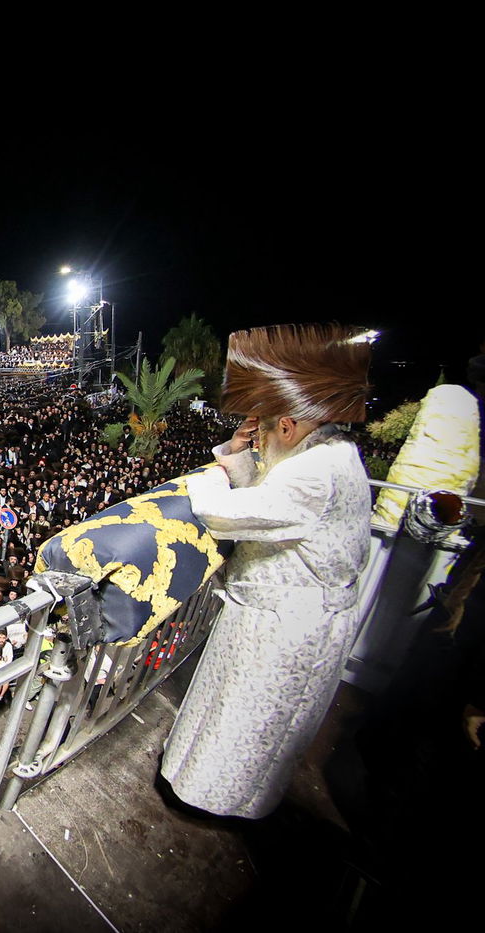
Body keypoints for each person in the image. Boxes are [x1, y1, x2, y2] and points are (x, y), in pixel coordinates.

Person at [160, 324, 373, 819]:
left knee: (247, 726)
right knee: (226, 713)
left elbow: (224, 512)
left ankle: (215, 804)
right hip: (272, 615)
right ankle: (192, 784)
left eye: (266, 425)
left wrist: (212, 475)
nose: (261, 436)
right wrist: (237, 451)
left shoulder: (316, 470)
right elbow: (265, 487)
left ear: (290, 426)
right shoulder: (325, 453)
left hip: (289, 627)